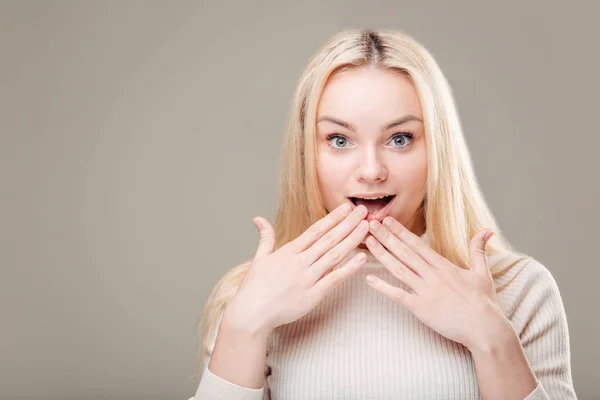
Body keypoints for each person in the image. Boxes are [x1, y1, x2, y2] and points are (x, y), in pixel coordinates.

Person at [189, 28, 577, 399]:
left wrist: (492, 339)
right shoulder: (251, 296)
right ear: (307, 154)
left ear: (437, 150)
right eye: (339, 140)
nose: (372, 170)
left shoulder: (519, 290)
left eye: (400, 138)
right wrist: (243, 326)